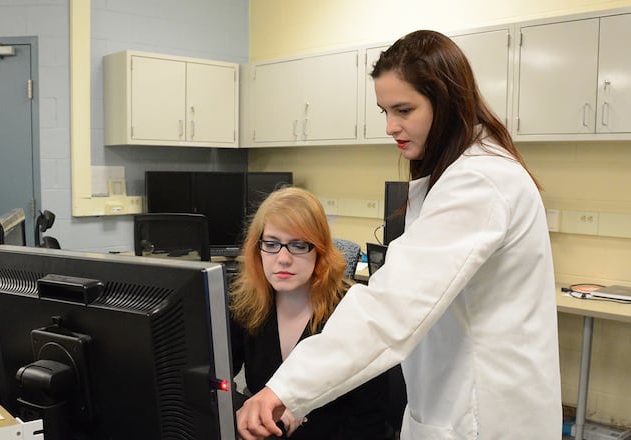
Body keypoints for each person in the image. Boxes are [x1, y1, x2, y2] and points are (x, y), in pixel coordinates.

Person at [236, 30, 562, 440]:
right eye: (384, 111)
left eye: (404, 109)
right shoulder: (456, 175)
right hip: (453, 403)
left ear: (445, 101)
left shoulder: (480, 181)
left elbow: (392, 305)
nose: (391, 126)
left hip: (484, 415)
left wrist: (286, 389)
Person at [230, 186, 392, 439]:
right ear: (257, 249)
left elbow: (371, 418)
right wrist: (254, 412)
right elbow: (212, 383)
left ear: (320, 250)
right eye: (271, 244)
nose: (283, 258)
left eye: (298, 245)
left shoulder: (353, 312)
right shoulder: (246, 304)